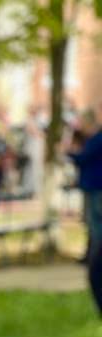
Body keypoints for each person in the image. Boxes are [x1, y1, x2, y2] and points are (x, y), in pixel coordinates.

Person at [69, 111, 102, 311]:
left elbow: (84, 158)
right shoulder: (92, 139)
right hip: (91, 187)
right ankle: (92, 252)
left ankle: (96, 254)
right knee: (91, 223)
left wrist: (69, 153)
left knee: (96, 224)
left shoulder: (97, 139)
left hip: (97, 187)